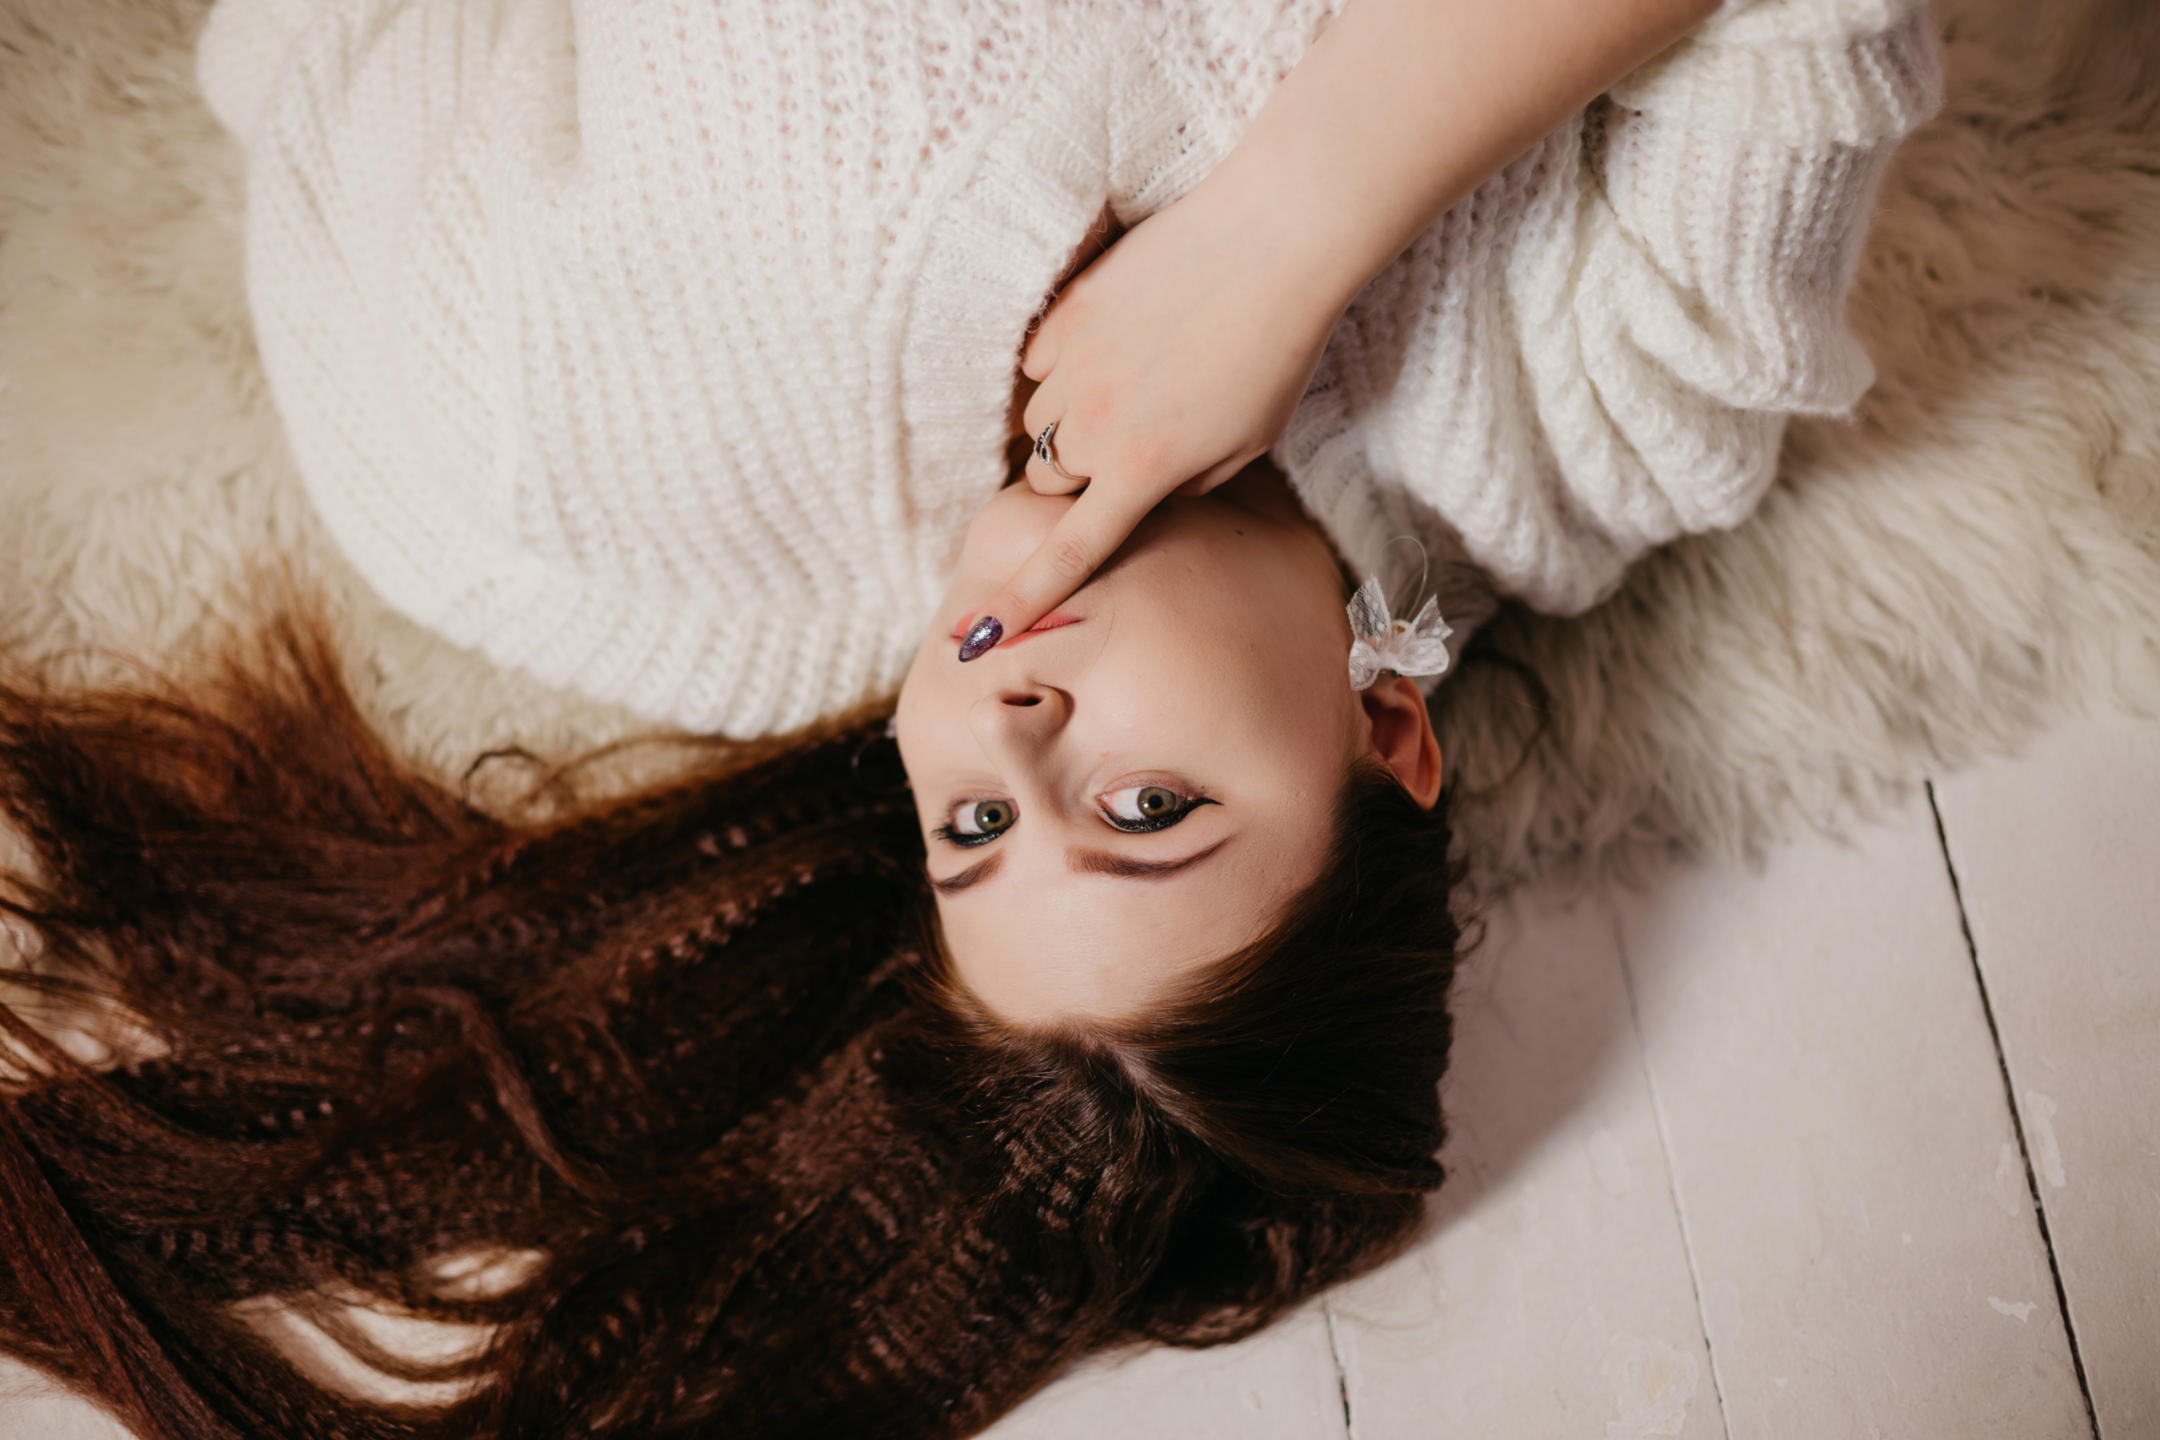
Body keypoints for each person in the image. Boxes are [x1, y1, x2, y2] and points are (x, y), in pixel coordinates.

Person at [0, 0, 1939, 1435]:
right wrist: (1287, 229)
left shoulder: (588, 498)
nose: (1004, 722)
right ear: (1391, 743)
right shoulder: (1625, 396)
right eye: (1145, 805)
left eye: (976, 831)